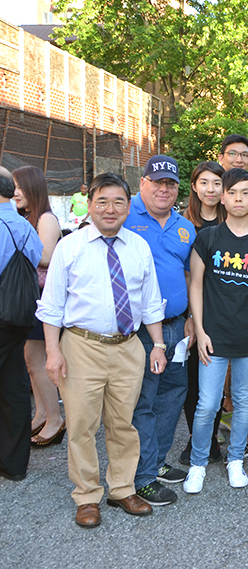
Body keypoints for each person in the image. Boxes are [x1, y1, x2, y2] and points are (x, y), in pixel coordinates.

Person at [37, 172, 166, 527]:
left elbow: (151, 301)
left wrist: (157, 345)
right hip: (81, 346)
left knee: (123, 423)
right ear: (90, 204)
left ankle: (122, 489)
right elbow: (51, 307)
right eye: (102, 201)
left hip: (128, 347)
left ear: (129, 205)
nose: (110, 209)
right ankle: (87, 496)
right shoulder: (70, 247)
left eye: (118, 202)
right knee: (81, 425)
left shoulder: (138, 247)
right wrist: (53, 352)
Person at [184, 169, 248, 494]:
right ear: (223, 197)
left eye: (246, 193)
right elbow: (195, 284)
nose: (239, 198)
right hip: (213, 336)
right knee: (207, 404)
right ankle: (198, 463)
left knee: (242, 399)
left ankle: (235, 459)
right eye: (232, 192)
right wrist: (201, 328)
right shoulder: (208, 238)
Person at [123, 155, 196, 506]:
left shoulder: (185, 226)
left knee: (171, 396)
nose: (164, 189)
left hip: (176, 328)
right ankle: (142, 476)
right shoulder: (124, 215)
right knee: (143, 402)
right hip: (140, 330)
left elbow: (187, 275)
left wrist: (192, 318)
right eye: (157, 183)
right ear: (143, 183)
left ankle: (156, 461)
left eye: (170, 184)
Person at [13, 166, 65, 448]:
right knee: (31, 364)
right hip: (28, 297)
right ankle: (43, 413)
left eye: (20, 187)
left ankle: (56, 420)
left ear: (33, 188)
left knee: (37, 361)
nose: (16, 193)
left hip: (42, 298)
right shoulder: (25, 218)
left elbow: (44, 256)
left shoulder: (46, 219)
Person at [180, 161, 226, 467]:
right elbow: (183, 275)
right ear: (195, 186)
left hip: (223, 314)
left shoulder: (234, 222)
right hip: (191, 314)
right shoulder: (182, 224)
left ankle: (209, 438)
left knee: (216, 382)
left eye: (217, 183)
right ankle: (199, 439)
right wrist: (192, 317)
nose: (210, 189)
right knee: (191, 382)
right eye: (204, 183)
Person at [0, 166, 43, 481]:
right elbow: (37, 257)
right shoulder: (25, 226)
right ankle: (14, 464)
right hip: (17, 315)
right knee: (13, 386)